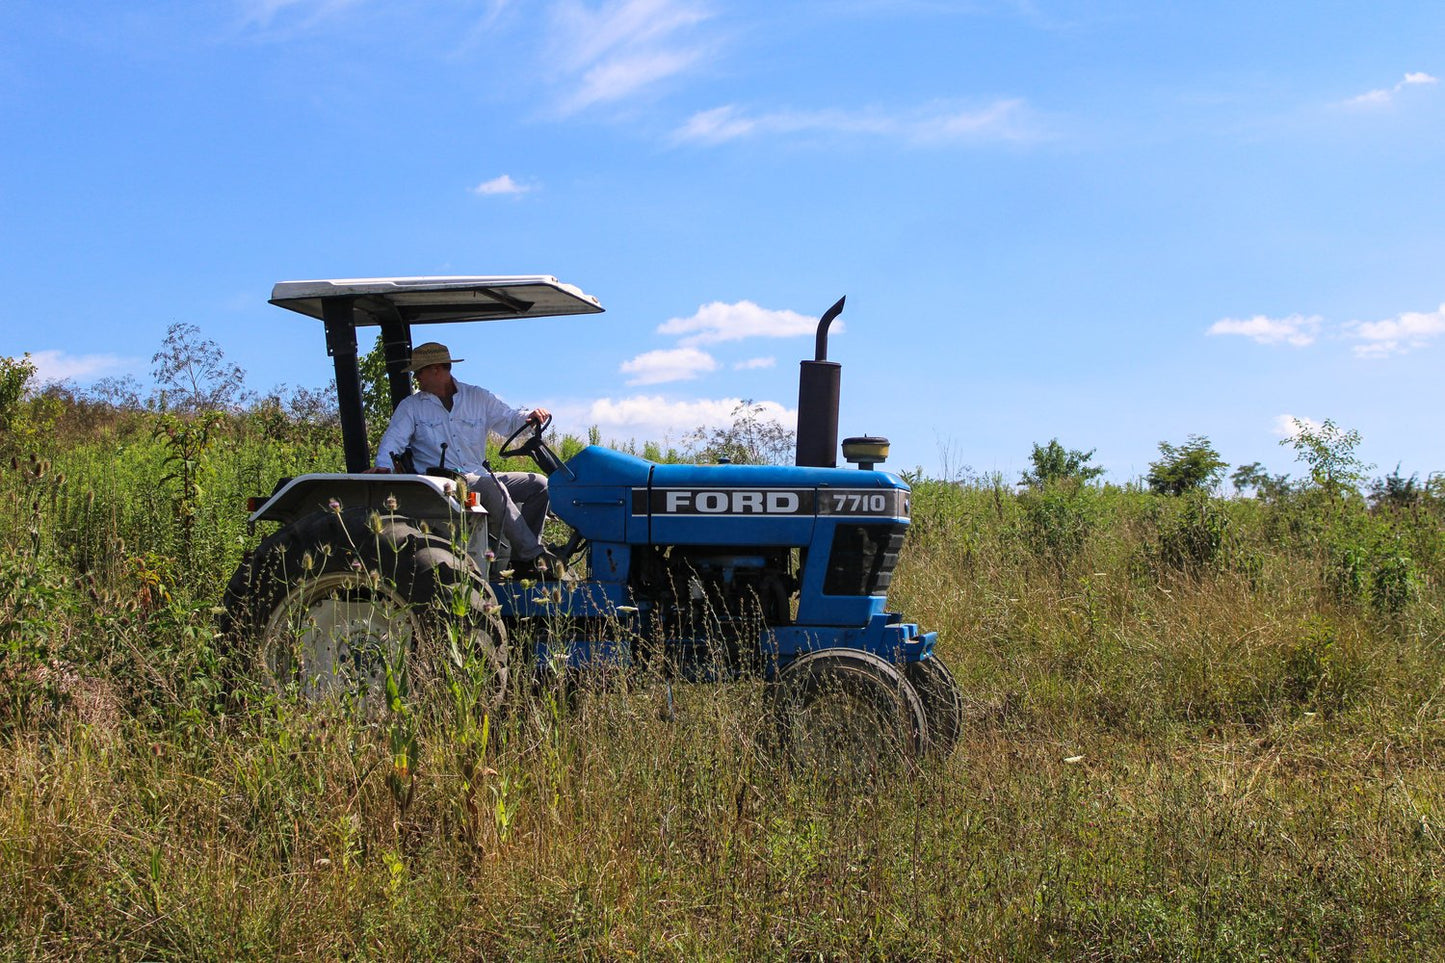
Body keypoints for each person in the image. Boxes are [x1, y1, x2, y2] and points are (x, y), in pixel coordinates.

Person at [367, 341, 556, 577]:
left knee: (539, 484)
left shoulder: (478, 397)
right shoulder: (412, 407)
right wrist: (383, 467)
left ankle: (520, 564)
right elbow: (393, 441)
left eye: (419, 372)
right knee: (489, 485)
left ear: (436, 369)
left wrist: (529, 417)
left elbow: (508, 420)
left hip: (477, 474)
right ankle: (534, 556)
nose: (417, 378)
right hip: (442, 484)